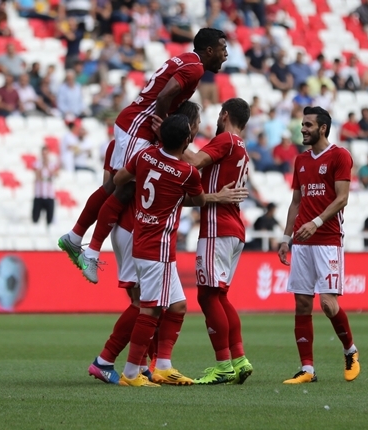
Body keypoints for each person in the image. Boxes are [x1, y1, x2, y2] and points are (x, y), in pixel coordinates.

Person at [59, 28, 228, 283]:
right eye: (223, 49)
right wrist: (161, 130)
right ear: (209, 50)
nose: (226, 54)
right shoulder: (194, 69)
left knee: (117, 186)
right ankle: (89, 251)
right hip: (137, 127)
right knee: (121, 187)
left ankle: (75, 238)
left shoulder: (186, 60)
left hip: (135, 125)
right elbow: (164, 96)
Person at [88, 102, 211, 385]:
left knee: (178, 305)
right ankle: (131, 373)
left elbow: (119, 178)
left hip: (141, 237)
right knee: (149, 308)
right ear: (187, 140)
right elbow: (200, 200)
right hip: (157, 246)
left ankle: (163, 365)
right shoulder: (187, 173)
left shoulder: (145, 155)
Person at [175, 98, 256, 385]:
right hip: (234, 229)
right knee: (220, 296)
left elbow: (196, 161)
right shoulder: (243, 148)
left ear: (224, 115)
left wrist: (172, 138)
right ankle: (239, 358)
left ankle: (223, 364)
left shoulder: (227, 141)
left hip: (216, 226)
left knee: (207, 295)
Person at [277, 106, 360, 384]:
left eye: (308, 125)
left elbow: (342, 198)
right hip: (301, 242)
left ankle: (350, 350)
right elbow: (296, 202)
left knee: (327, 303)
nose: (303, 129)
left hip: (327, 240)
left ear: (322, 128)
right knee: (302, 303)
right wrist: (285, 237)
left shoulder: (340, 156)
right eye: (303, 124)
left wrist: (316, 221)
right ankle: (307, 369)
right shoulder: (300, 160)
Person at [32, 146, 59, 226]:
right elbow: (37, 175)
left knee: (49, 219)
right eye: (43, 154)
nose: (44, 156)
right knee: (35, 218)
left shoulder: (52, 164)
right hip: (39, 195)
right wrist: (43, 166)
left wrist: (47, 166)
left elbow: (56, 174)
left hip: (49, 195)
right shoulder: (37, 164)